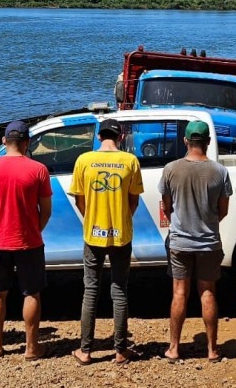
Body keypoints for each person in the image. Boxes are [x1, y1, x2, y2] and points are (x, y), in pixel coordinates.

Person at [68, 119, 144, 366]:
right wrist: (122, 219)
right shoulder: (130, 161)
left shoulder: (84, 160)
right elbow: (134, 200)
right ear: (120, 137)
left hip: (93, 234)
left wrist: (90, 218)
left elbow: (79, 199)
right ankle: (121, 350)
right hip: (121, 235)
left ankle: (85, 351)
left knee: (90, 290)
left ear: (99, 137)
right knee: (119, 290)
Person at [0, 121, 53, 361]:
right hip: (29, 241)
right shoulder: (39, 169)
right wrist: (33, 229)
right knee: (31, 293)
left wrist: (0, 222)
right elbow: (46, 211)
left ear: (3, 141)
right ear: (27, 142)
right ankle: (31, 348)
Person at [158, 120, 232, 363]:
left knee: (179, 293)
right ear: (208, 141)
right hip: (209, 242)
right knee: (207, 292)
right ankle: (212, 350)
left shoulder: (171, 169)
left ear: (185, 141)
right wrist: (207, 223)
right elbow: (223, 210)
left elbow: (166, 207)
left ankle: (174, 348)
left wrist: (180, 221)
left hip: (180, 242)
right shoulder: (220, 172)